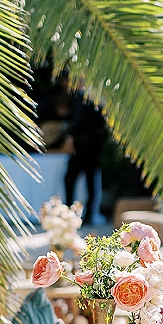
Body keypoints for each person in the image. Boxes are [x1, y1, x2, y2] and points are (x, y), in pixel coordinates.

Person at [64, 91, 106, 224]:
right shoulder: (98, 97)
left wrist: (71, 136)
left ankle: (70, 212)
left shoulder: (82, 97)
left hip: (82, 145)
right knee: (90, 179)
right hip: (94, 144)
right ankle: (88, 213)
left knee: (70, 178)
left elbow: (78, 119)